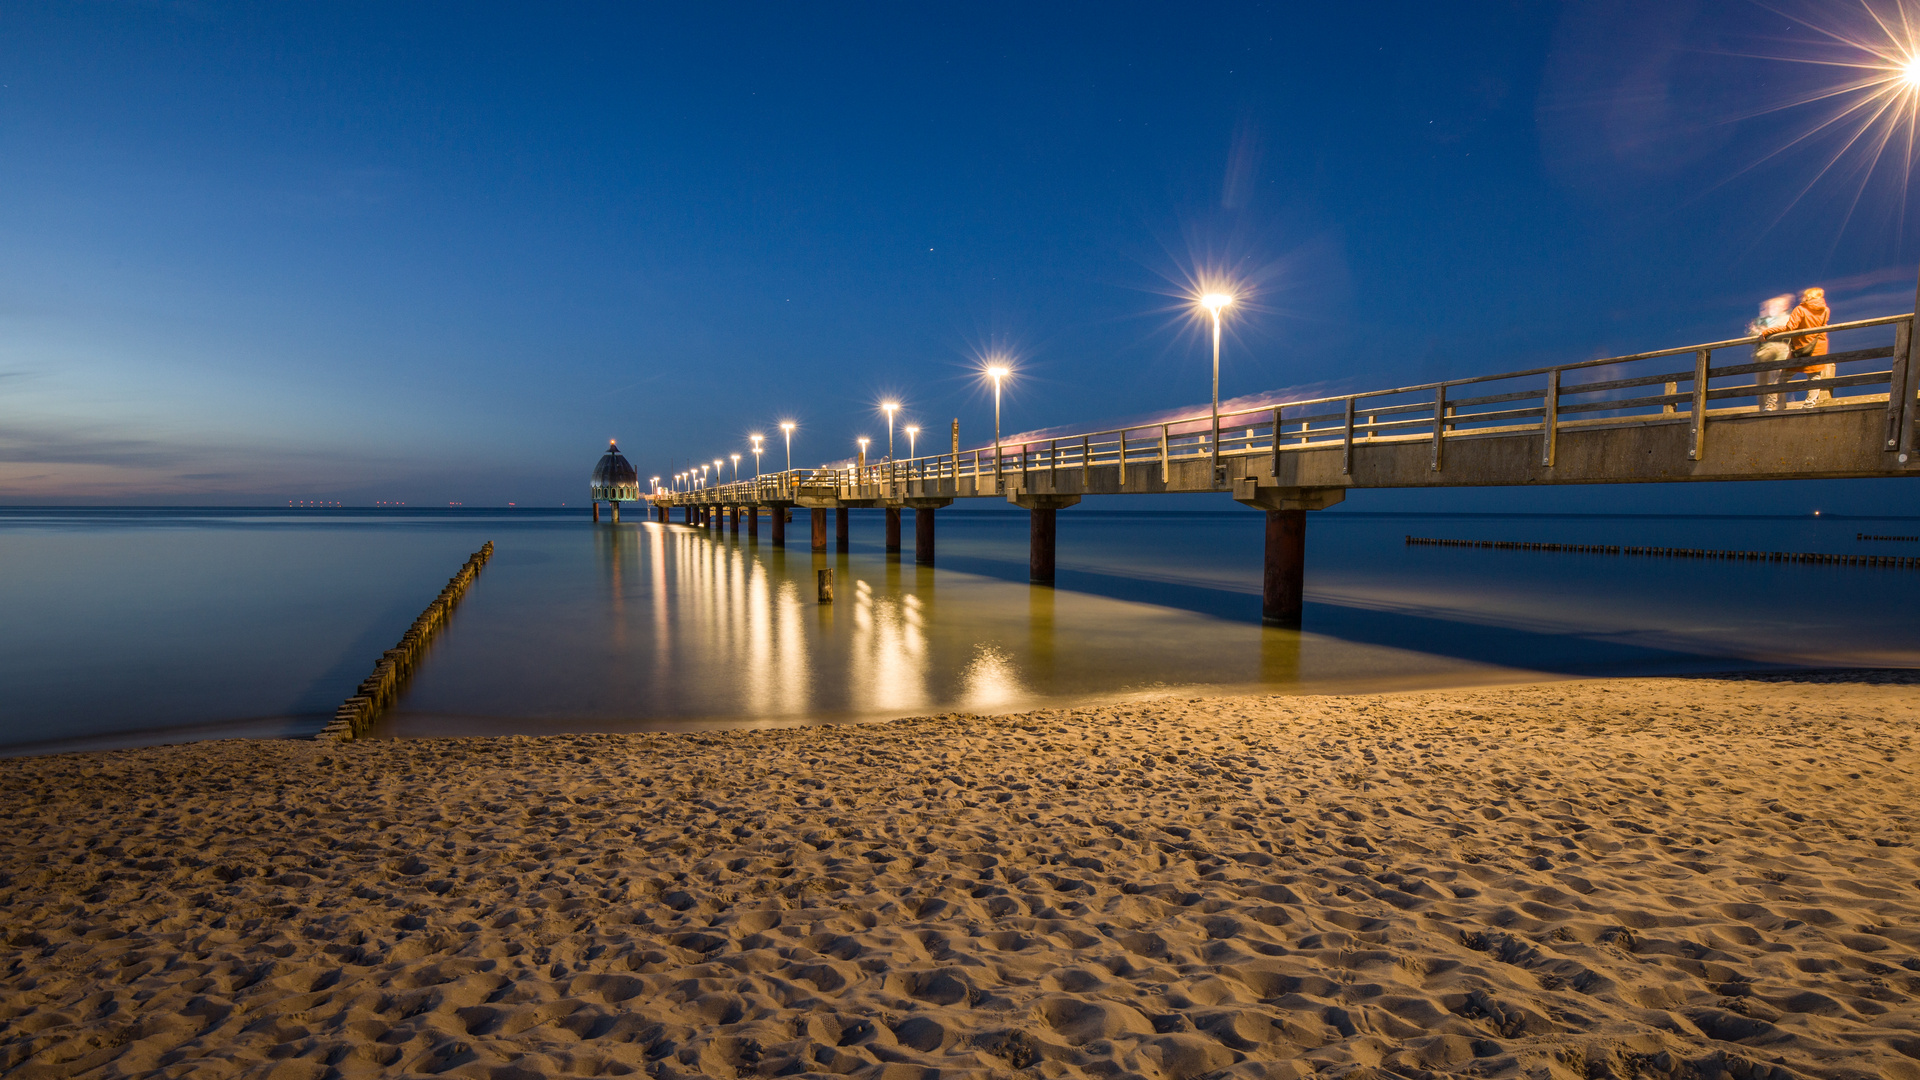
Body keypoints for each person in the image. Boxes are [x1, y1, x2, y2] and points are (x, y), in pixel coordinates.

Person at [1761, 286, 1832, 407]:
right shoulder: (1825, 310)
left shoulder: (1800, 309)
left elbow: (1790, 328)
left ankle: (1769, 406)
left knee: (1782, 378)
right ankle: (1809, 405)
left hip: (1801, 348)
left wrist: (1767, 332)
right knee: (1814, 377)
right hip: (1818, 347)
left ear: (1808, 296)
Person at [1750, 294, 1793, 412]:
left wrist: (1764, 332)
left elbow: (1786, 329)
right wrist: (1756, 331)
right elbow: (1752, 336)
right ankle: (1763, 408)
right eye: (1771, 306)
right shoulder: (1760, 320)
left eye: (1776, 306)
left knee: (1777, 378)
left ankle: (1779, 406)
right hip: (1762, 353)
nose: (1772, 308)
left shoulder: (1787, 318)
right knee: (1761, 381)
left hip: (1780, 351)